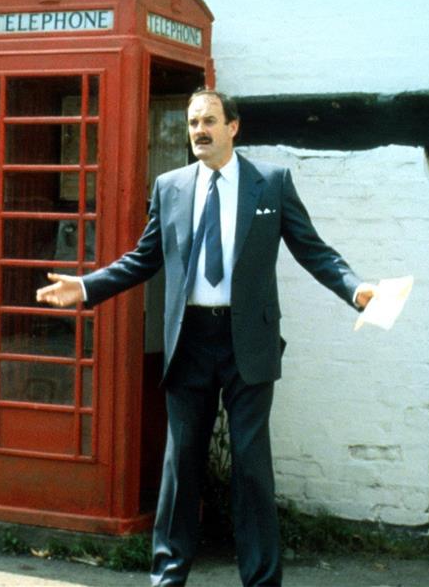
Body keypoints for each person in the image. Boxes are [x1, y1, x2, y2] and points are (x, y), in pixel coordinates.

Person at [36, 89, 376, 587]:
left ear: (233, 127)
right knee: (180, 465)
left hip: (247, 341)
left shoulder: (271, 183)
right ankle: (168, 576)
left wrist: (354, 288)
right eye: (193, 122)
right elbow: (144, 257)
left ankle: (261, 581)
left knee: (252, 466)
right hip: (190, 340)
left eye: (210, 121)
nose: (200, 130)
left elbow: (312, 249)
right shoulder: (171, 186)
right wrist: (87, 286)